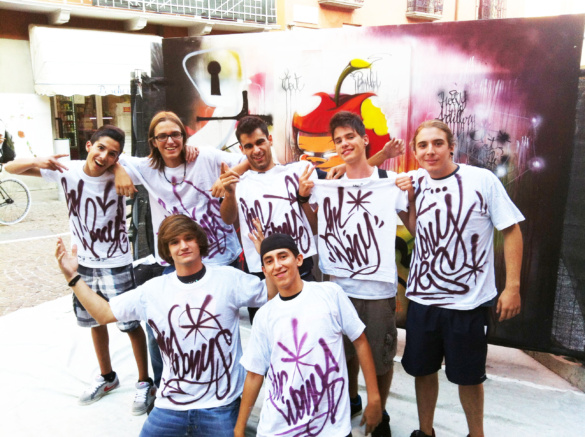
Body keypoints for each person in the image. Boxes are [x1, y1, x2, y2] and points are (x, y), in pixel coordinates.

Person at [55, 214, 277, 437]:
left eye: (189, 238)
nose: (183, 246)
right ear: (167, 250)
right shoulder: (152, 291)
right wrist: (73, 278)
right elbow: (103, 314)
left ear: (199, 241)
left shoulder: (229, 279)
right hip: (170, 406)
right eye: (174, 242)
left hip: (220, 406)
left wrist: (267, 257)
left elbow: (270, 295)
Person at [5, 125, 153, 415]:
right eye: (101, 148)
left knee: (130, 323)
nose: (104, 156)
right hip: (83, 261)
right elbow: (10, 168)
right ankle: (107, 376)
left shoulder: (120, 170)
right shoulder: (67, 170)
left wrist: (120, 168)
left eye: (113, 154)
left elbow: (153, 164)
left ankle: (144, 381)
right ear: (88, 146)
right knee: (94, 322)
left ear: (118, 157)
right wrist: (37, 160)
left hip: (116, 261)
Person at [401, 120, 524, 437]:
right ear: (415, 151)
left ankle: (476, 434)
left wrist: (512, 287)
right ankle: (425, 431)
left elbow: (511, 230)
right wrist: (410, 201)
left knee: (469, 377)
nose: (430, 151)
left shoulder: (481, 180)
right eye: (423, 145)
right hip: (423, 300)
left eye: (437, 143)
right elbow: (417, 231)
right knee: (422, 370)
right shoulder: (414, 182)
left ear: (451, 147)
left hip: (467, 304)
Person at [298, 111, 414, 437]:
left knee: (381, 357)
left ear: (364, 139)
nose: (344, 143)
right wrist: (304, 199)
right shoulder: (330, 184)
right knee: (344, 353)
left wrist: (410, 195)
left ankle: (381, 412)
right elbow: (318, 227)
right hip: (339, 288)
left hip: (378, 290)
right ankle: (351, 400)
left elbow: (414, 225)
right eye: (338, 140)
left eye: (350, 136)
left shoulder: (389, 181)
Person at [112, 111, 249, 388]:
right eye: (162, 136)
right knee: (160, 323)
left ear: (184, 136)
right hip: (176, 262)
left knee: (220, 326)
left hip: (220, 258)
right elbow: (108, 157)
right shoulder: (146, 168)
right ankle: (163, 387)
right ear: (153, 141)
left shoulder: (205, 157)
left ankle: (225, 386)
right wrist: (118, 170)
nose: (170, 141)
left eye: (175, 134)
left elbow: (249, 159)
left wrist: (228, 179)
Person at [234, 233, 382, 437]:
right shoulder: (264, 316)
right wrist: (239, 429)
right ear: (264, 270)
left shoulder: (330, 294)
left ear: (299, 259)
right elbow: (254, 374)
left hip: (331, 429)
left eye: (283, 256)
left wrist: (374, 398)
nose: (277, 265)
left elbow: (360, 341)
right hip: (278, 429)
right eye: (269, 261)